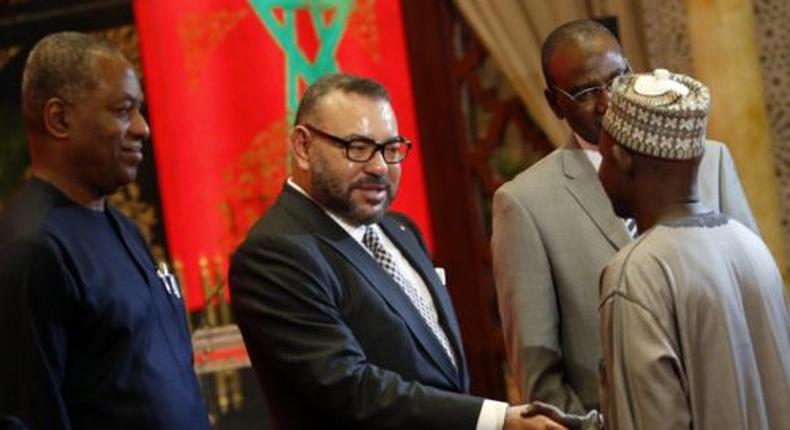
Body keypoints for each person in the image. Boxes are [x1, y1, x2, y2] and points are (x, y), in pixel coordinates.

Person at [229, 73, 565, 430]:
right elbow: (351, 388)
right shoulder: (275, 253)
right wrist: (497, 419)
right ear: (303, 147)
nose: (379, 167)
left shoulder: (400, 230)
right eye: (357, 148)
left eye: (391, 149)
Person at [491, 19, 757, 414]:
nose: (608, 103)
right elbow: (540, 375)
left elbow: (754, 298)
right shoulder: (524, 203)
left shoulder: (708, 161)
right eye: (585, 92)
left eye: (618, 81)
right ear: (554, 103)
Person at [0, 32, 209, 429]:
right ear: (59, 119)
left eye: (139, 110)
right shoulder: (31, 247)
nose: (142, 128)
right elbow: (26, 413)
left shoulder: (124, 228)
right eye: (122, 110)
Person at [596, 69, 790, 429]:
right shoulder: (752, 248)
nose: (601, 172)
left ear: (623, 160)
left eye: (605, 158)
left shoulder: (637, 273)